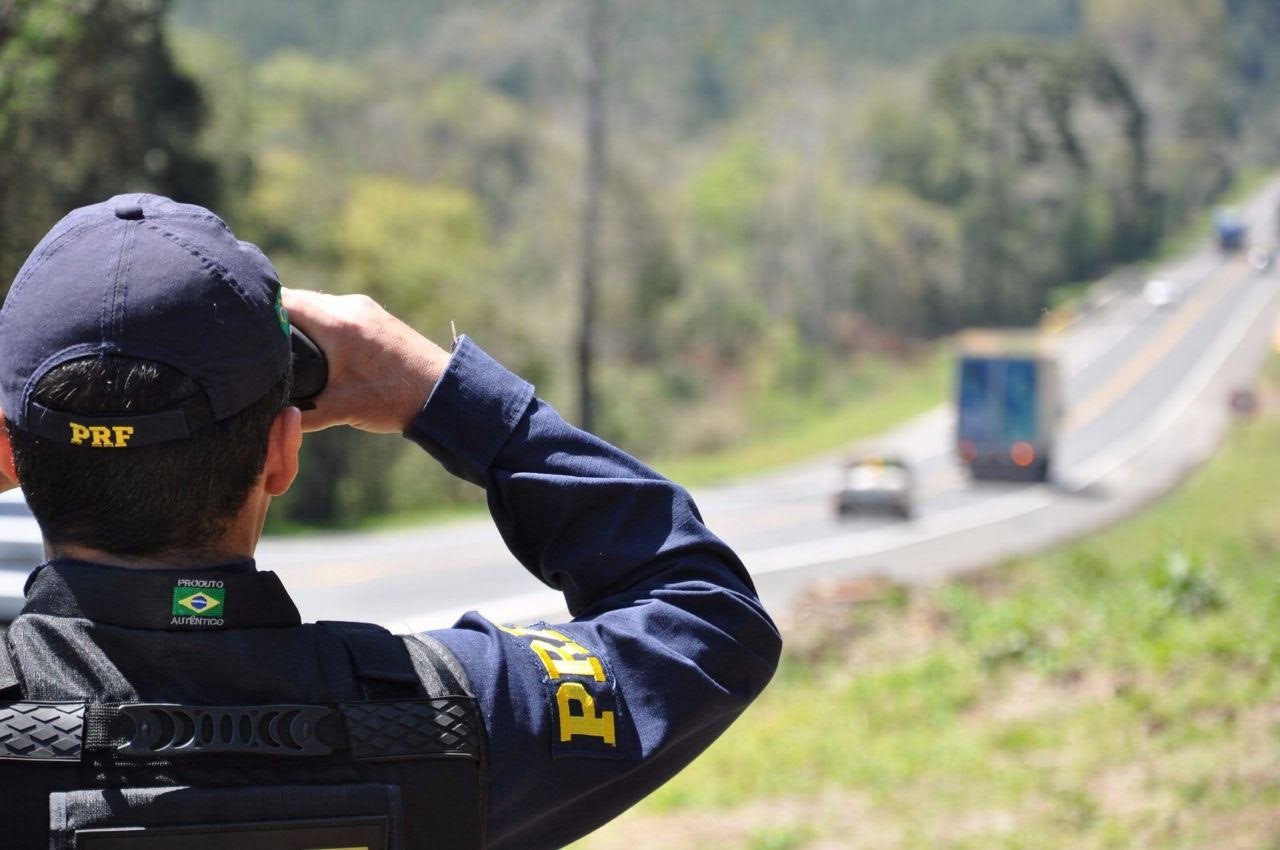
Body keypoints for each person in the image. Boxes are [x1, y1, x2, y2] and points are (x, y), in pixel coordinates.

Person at [0, 194, 781, 849]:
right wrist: (441, 394)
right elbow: (706, 619)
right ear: (282, 453)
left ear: (8, 458)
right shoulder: (446, 719)